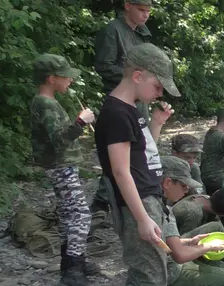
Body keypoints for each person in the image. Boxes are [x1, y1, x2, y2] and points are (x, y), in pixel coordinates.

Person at [87, 43, 180, 286]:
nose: (159, 92)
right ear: (138, 75)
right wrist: (142, 218)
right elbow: (120, 170)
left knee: (152, 272)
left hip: (147, 199)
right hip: (137, 204)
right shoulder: (115, 113)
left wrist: (156, 123)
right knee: (150, 278)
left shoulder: (131, 110)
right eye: (157, 85)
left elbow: (144, 154)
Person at [30, 54, 99, 286]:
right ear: (51, 78)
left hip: (59, 166)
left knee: (69, 215)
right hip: (60, 167)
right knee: (80, 215)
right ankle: (73, 274)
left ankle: (71, 263)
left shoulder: (44, 102)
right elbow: (60, 140)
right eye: (66, 76)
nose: (70, 80)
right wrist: (81, 122)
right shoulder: (46, 103)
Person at [91, 0, 153, 215]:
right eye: (141, 10)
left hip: (140, 96)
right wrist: (134, 79)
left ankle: (136, 191)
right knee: (120, 149)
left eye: (148, 11)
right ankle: (103, 198)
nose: (146, 15)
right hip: (121, 97)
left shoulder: (142, 33)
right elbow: (104, 66)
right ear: (128, 5)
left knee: (143, 145)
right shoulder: (113, 30)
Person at [158, 156, 224, 286]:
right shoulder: (158, 210)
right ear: (167, 183)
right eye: (184, 185)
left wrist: (188, 241)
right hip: (163, 271)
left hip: (168, 258)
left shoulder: (160, 205)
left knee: (223, 266)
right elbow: (179, 256)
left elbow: (163, 243)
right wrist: (206, 247)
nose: (187, 190)